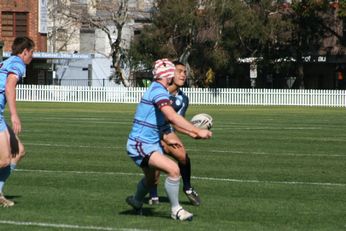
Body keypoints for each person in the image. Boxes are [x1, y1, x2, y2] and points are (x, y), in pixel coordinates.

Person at [126, 58, 212, 221]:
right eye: (174, 71)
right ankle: (176, 210)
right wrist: (197, 131)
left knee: (152, 178)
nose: (177, 75)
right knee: (173, 169)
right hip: (140, 143)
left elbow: (163, 122)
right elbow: (171, 116)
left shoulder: (159, 90)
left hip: (150, 142)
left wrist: (186, 133)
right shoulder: (158, 91)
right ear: (168, 75)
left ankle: (136, 201)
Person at [149, 61, 201, 206]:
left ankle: (188, 188)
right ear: (171, 74)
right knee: (156, 165)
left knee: (183, 156)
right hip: (151, 130)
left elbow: (177, 122)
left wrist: (191, 132)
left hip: (166, 130)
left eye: (185, 72)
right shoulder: (159, 91)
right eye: (179, 71)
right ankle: (153, 196)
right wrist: (193, 131)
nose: (183, 74)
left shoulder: (183, 99)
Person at [0, 36, 35, 207]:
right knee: (5, 160)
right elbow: (9, 86)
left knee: (18, 151)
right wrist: (14, 115)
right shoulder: (18, 64)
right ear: (25, 51)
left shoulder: (8, 61)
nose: (32, 56)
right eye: (32, 52)